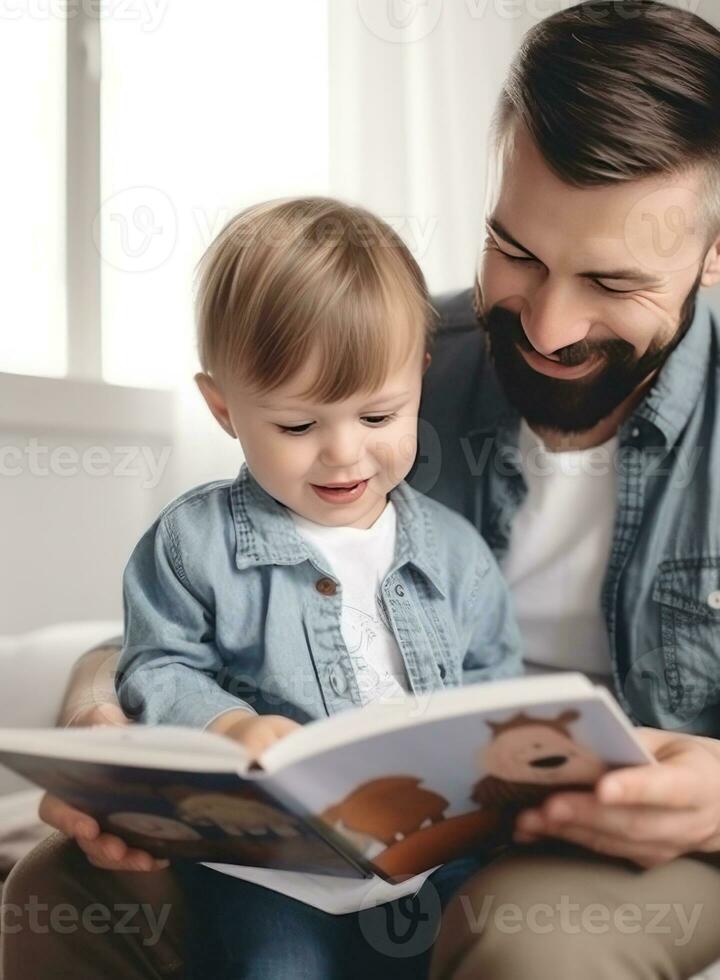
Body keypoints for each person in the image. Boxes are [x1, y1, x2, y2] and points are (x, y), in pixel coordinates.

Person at [2, 3, 720, 979]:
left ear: (718, 249)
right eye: (516, 253)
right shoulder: (387, 370)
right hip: (343, 839)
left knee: (527, 936)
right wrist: (110, 722)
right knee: (60, 885)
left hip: (628, 853)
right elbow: (208, 584)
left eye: (611, 281)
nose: (551, 327)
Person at [12, 196, 522, 980]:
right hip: (270, 879)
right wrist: (226, 724)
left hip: (429, 863)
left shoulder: (455, 552)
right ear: (222, 407)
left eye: (379, 415)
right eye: (297, 427)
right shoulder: (193, 544)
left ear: (421, 372)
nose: (343, 454)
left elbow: (493, 682)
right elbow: (156, 665)